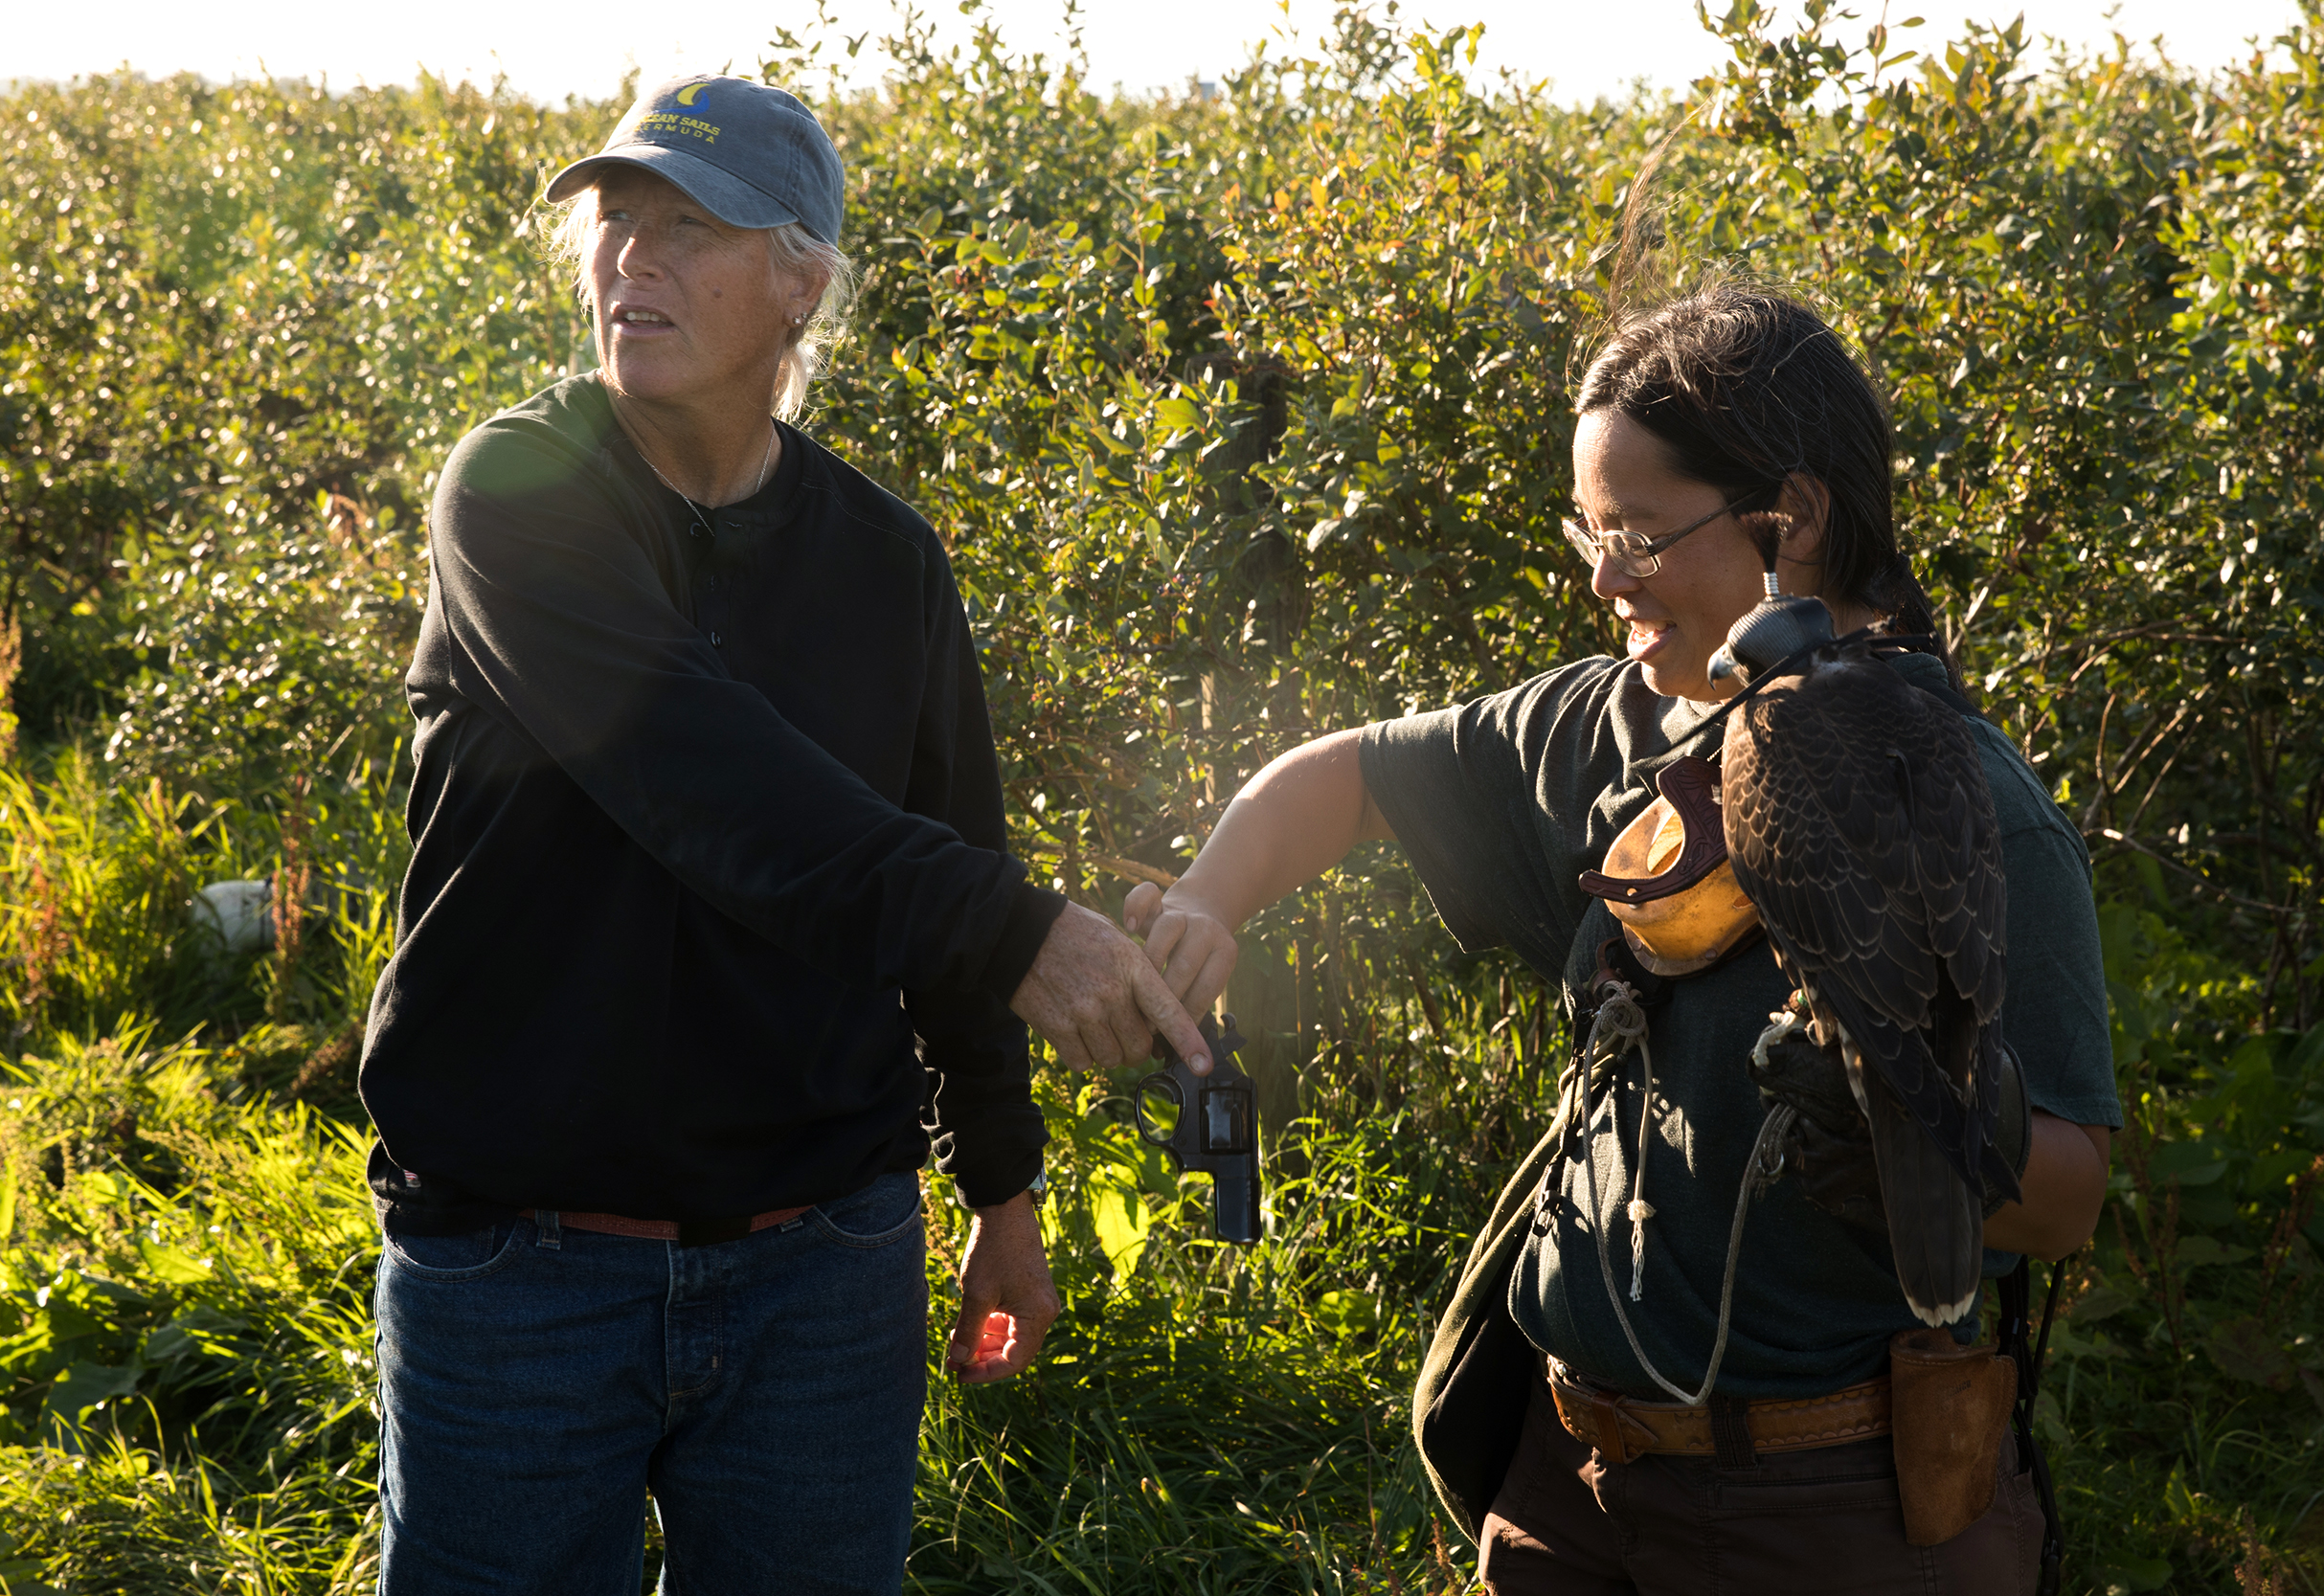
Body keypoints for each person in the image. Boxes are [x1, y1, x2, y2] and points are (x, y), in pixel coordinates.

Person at [1123, 280, 2121, 1594]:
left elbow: (2069, 1203)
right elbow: (1350, 775)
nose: (1603, 580)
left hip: (1833, 1513)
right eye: (1588, 533)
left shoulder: (1974, 807)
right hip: (1568, 1489)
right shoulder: (1615, 724)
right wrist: (1208, 896)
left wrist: (1930, 1115)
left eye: (1640, 538)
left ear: (1796, 517)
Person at [357, 75, 1210, 1595]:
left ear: (801, 278)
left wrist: (1002, 1190)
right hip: (520, 1270)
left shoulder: (886, 565)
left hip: (823, 1272)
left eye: (691, 230)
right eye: (617, 224)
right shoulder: (515, 493)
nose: (633, 262)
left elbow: (945, 840)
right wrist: (1014, 932)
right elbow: (714, 782)